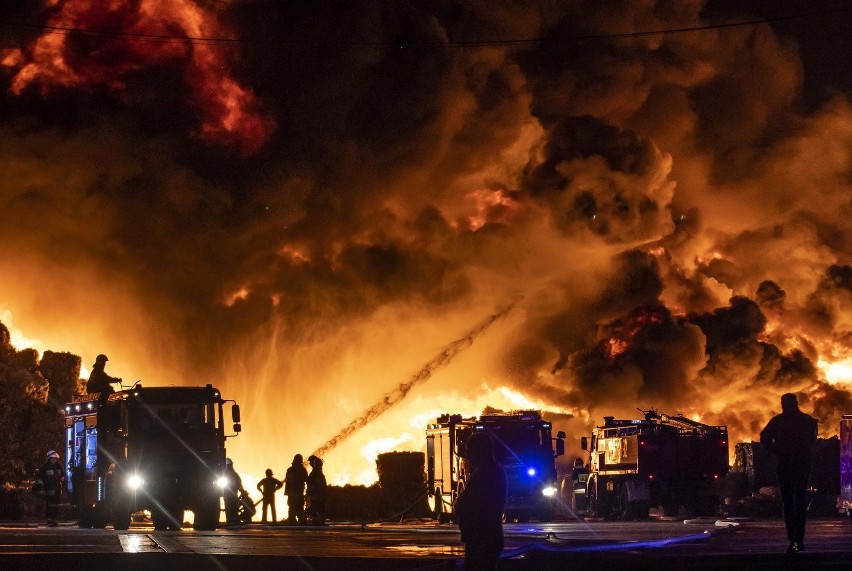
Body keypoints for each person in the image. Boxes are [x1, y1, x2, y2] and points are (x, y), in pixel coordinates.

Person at [760, 393, 818, 555]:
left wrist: (777, 451)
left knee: (788, 503)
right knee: (799, 502)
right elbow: (812, 440)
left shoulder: (778, 421)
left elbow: (764, 438)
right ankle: (798, 540)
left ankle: (793, 539)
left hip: (786, 464)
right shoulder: (806, 420)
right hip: (801, 464)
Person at [454, 432, 507, 571]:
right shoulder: (491, 472)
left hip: (482, 540)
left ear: (480, 451)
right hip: (485, 538)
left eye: (470, 451)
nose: (468, 456)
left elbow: (466, 503)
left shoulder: (485, 475)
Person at [37, 450, 65, 527]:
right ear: (49, 459)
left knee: (56, 504)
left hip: (57, 489)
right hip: (49, 489)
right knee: (50, 504)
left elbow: (63, 475)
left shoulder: (58, 466)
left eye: (55, 459)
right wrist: (41, 488)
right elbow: (40, 478)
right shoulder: (45, 467)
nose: (53, 460)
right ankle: (49, 519)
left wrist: (63, 478)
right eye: (52, 458)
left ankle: (54, 519)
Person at [284, 454, 309, 525]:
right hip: (298, 493)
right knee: (298, 508)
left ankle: (293, 521)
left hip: (293, 493)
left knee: (293, 508)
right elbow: (306, 479)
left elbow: (287, 482)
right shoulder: (302, 470)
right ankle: (299, 521)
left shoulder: (290, 470)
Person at [304, 455, 327, 525]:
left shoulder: (315, 473)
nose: (310, 463)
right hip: (317, 495)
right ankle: (316, 521)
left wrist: (309, 492)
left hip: (316, 495)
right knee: (315, 508)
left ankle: (315, 521)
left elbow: (313, 483)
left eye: (311, 462)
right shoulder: (317, 473)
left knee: (314, 508)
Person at [223, 458, 246, 525]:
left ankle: (232, 519)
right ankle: (231, 519)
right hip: (229, 494)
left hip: (231, 494)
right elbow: (239, 483)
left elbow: (239, 483)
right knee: (230, 506)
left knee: (231, 506)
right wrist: (241, 490)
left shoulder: (231, 474)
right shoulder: (229, 474)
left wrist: (241, 490)